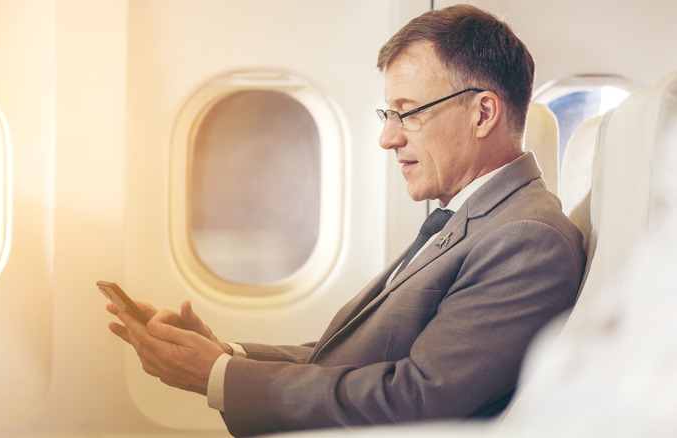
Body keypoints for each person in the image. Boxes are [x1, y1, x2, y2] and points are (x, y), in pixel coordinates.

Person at [107, 5, 586, 437]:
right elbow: (355, 358)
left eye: (408, 113)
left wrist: (217, 378)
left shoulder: (527, 238)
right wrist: (225, 356)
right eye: (387, 114)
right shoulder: (472, 218)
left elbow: (416, 400)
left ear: (482, 113)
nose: (386, 138)